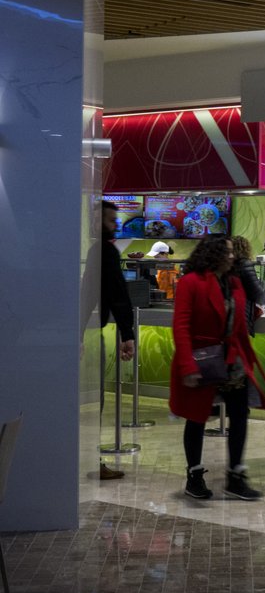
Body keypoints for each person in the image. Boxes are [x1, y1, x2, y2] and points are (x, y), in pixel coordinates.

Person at [170, 235, 265, 500]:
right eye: (227, 252)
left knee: (239, 413)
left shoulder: (234, 281)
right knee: (197, 417)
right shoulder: (190, 283)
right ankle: (194, 476)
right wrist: (187, 365)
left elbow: (248, 309)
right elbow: (181, 325)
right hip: (202, 358)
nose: (232, 256)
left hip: (232, 358)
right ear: (212, 254)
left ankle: (236, 475)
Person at [98, 201, 136, 480]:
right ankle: (91, 459)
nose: (115, 226)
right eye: (111, 220)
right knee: (94, 400)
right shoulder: (106, 251)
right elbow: (118, 292)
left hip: (85, 330)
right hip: (90, 332)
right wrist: (128, 333)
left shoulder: (92, 249)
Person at [231, 236, 265, 336]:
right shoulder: (245, 264)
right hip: (243, 314)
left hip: (232, 314)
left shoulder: (229, 265)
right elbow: (258, 292)